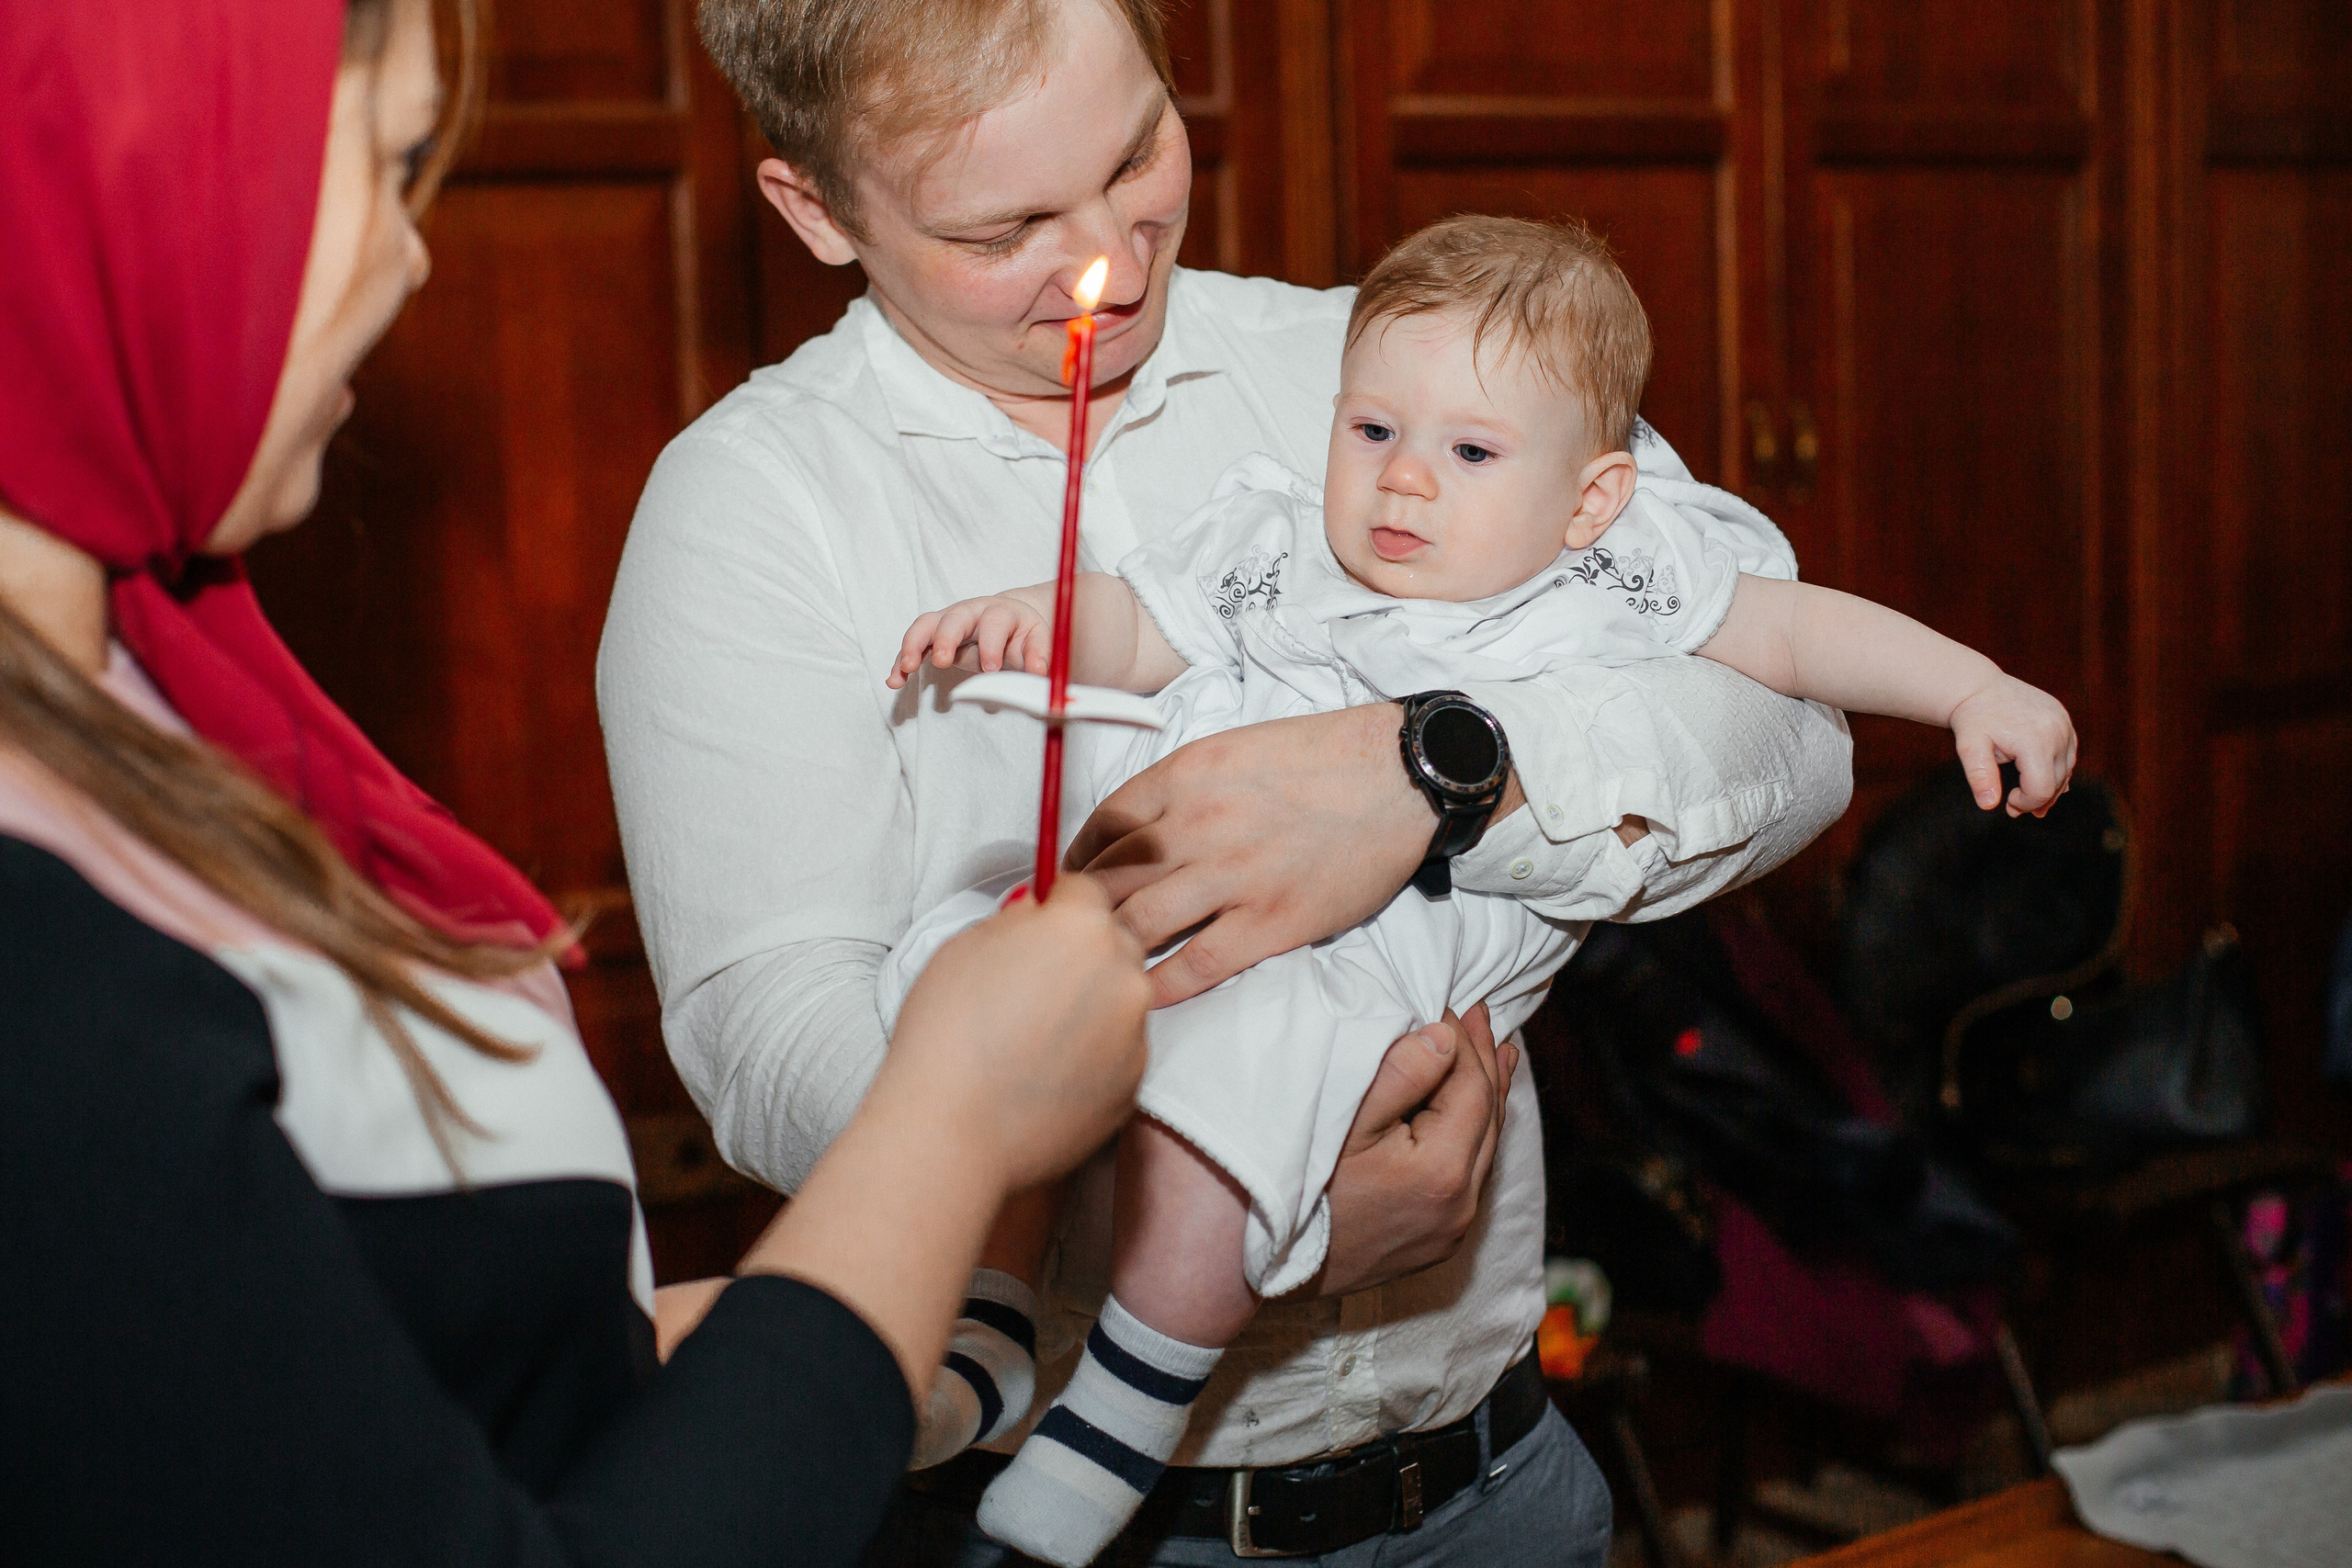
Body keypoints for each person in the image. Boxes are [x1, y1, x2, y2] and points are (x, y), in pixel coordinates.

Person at [600, 1, 1854, 1562]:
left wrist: (1439, 771)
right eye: (1004, 227)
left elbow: (1794, 733)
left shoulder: (1392, 368)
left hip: (1497, 1479)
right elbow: (766, 1035)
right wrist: (1228, 1193)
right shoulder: (753, 510)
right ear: (818, 211)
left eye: (1138, 154)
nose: (1106, 264)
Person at [0, 3, 1150, 1565]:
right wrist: (955, 1118)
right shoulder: (35, 968)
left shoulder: (146, 708)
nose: (411, 262)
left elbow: (338, 1384)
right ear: (128, 203)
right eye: (389, 164)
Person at [878, 214, 2076, 1564]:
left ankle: (1126, 1405)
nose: (1404, 485)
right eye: (1373, 431)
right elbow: (1144, 623)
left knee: (1218, 1108)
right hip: (1179, 877)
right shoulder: (1279, 546)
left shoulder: (1604, 579)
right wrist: (1027, 621)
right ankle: (986, 1312)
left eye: (1469, 453)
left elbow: (1798, 639)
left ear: (1589, 499)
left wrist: (1974, 686)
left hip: (1373, 957)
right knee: (997, 969)